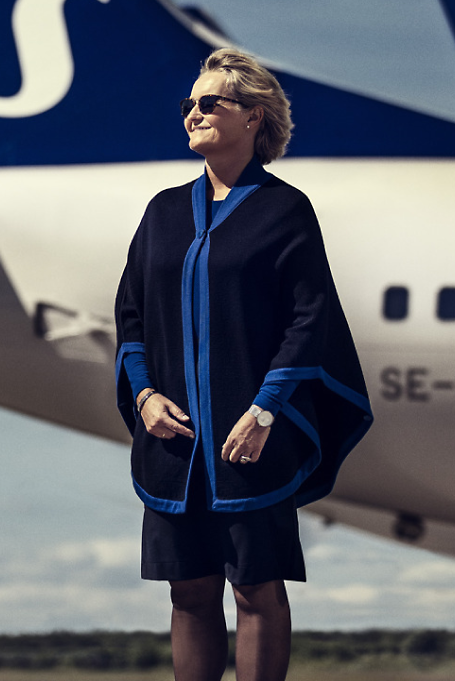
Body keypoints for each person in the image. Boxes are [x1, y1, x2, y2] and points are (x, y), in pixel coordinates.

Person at [115, 48, 372, 681]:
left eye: (210, 103)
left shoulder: (285, 210)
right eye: (189, 104)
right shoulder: (163, 212)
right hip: (174, 444)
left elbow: (311, 319)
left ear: (254, 117)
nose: (193, 113)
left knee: (257, 591)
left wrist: (265, 411)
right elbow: (130, 315)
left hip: (251, 439)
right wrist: (145, 397)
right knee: (189, 593)